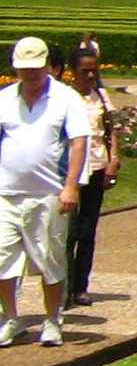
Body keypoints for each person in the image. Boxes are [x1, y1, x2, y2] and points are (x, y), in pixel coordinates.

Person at [0, 40, 88, 348]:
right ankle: (11, 318)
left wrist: (71, 187)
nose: (31, 74)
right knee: (2, 258)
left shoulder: (66, 98)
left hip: (49, 192)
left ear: (48, 67)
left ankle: (52, 319)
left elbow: (79, 142)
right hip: (6, 193)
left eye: (37, 68)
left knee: (50, 258)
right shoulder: (5, 98)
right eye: (25, 69)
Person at [63, 50, 117, 305]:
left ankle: (80, 286)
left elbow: (110, 129)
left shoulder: (101, 97)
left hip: (96, 164)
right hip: (71, 169)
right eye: (85, 70)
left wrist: (113, 158)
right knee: (68, 231)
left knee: (87, 229)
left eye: (94, 69)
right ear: (72, 71)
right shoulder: (64, 97)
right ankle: (64, 285)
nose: (91, 75)